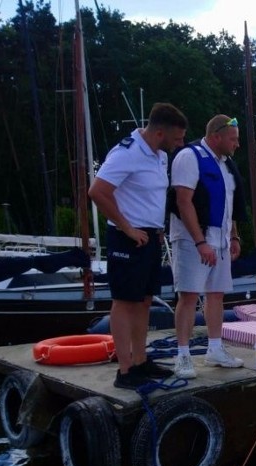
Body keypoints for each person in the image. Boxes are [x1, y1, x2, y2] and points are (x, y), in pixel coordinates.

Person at [88, 102, 188, 390]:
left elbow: (151, 196)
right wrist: (126, 227)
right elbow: (98, 192)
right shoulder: (127, 153)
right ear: (159, 133)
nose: (180, 144)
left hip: (149, 236)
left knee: (144, 300)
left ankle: (141, 361)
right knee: (124, 301)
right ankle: (125, 369)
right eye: (177, 138)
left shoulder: (160, 156)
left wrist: (156, 228)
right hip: (126, 237)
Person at [168, 114, 247, 379]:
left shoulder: (227, 165)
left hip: (221, 239)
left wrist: (234, 236)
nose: (237, 144)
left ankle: (215, 348)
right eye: (233, 139)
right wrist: (200, 242)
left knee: (216, 294)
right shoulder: (189, 157)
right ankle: (182, 355)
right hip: (194, 239)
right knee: (189, 295)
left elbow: (230, 205)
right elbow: (183, 200)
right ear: (216, 137)